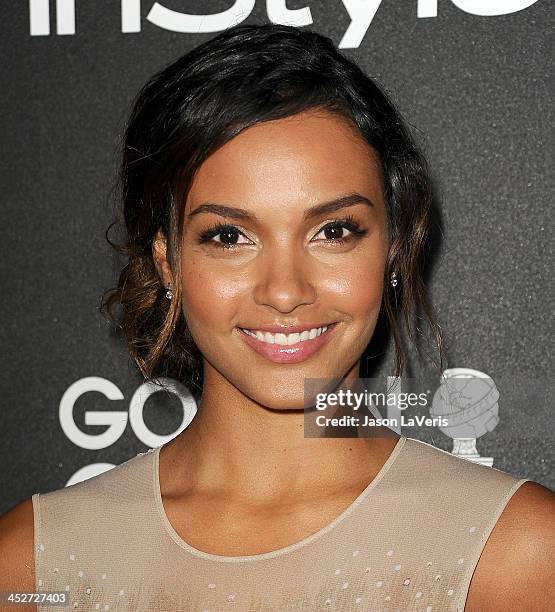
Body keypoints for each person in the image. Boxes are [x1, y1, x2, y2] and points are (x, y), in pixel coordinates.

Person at [1, 23, 553, 612]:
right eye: (230, 236)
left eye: (333, 231)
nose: (285, 292)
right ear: (168, 262)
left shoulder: (514, 555)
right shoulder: (36, 562)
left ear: (394, 249)